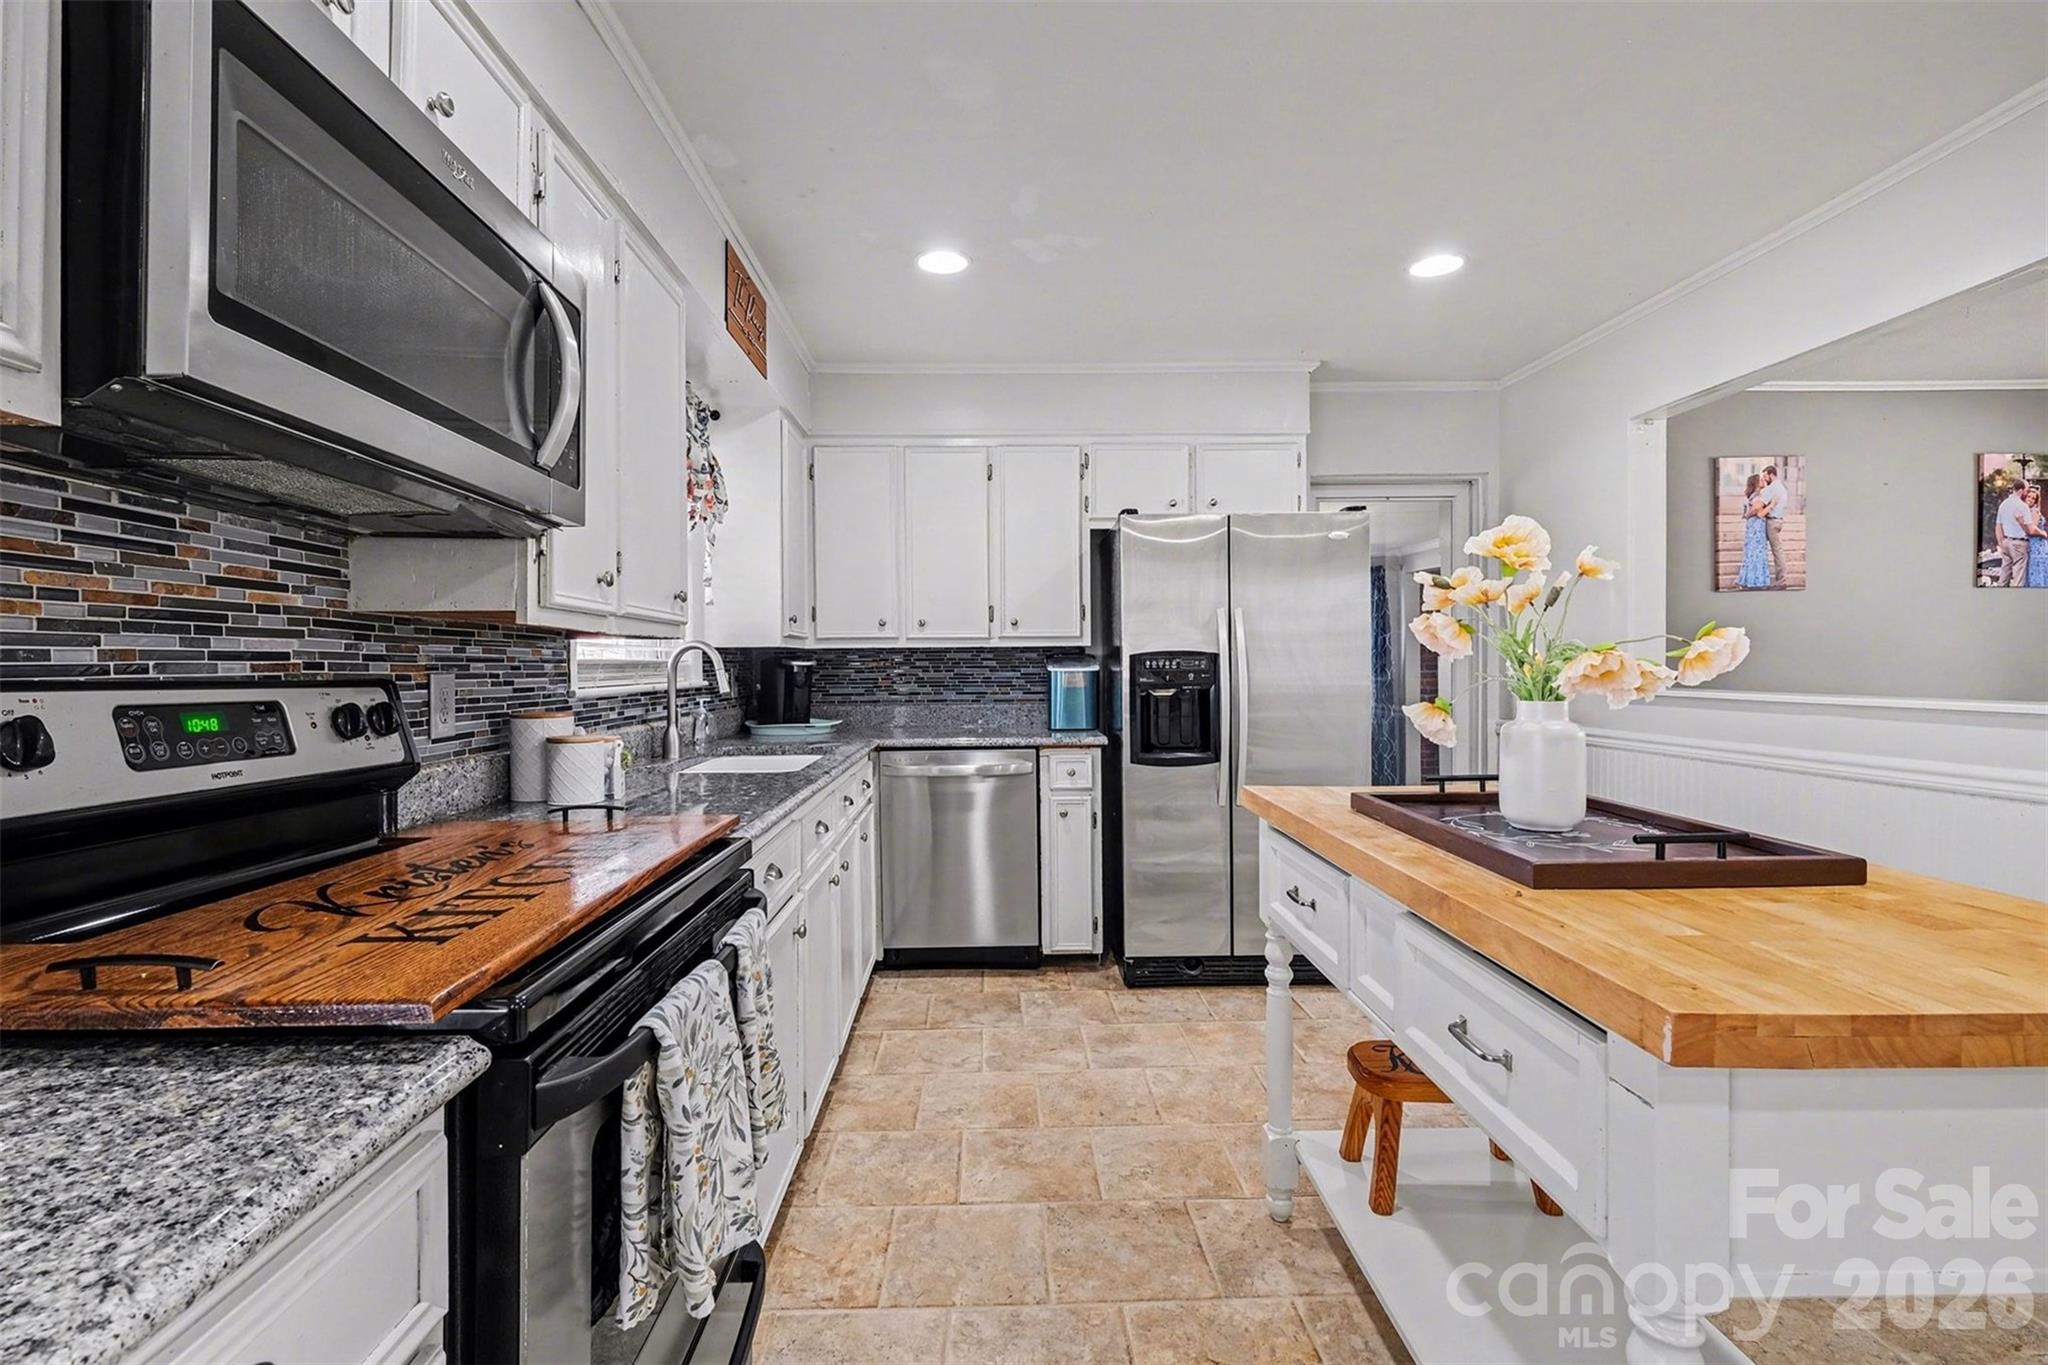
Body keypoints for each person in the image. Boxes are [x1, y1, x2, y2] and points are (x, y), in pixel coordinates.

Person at [1751, 464, 1788, 586]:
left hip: (1771, 521)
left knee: (1775, 551)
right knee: (1773, 549)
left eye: (1765, 476)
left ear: (1771, 475)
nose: (1764, 479)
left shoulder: (1770, 489)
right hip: (1779, 520)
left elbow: (1758, 508)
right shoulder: (1782, 488)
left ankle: (1781, 580)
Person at [1735, 473, 1771, 589]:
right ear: (1755, 483)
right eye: (1760, 480)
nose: (1763, 481)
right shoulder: (1757, 496)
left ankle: (1749, 579)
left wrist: (1747, 515)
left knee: (1753, 551)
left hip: (1754, 525)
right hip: (1756, 526)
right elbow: (1756, 510)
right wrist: (1748, 514)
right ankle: (1756, 581)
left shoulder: (1754, 495)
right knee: (1756, 551)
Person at [1996, 481, 2034, 586]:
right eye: (2026, 490)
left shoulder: (2003, 504)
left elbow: (1998, 525)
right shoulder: (2023, 506)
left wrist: (2001, 542)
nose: (2027, 492)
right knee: (2018, 578)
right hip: (2019, 543)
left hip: (2006, 542)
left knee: (2004, 575)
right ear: (2021, 490)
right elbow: (2030, 529)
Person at [2023, 484, 2048, 589]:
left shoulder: (2034, 511)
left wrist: (2043, 533)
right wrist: (2043, 533)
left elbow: (2032, 529)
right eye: (2029, 497)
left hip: (2038, 545)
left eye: (2033, 498)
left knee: (2037, 569)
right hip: (2032, 544)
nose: (2030, 500)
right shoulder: (2025, 510)